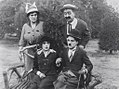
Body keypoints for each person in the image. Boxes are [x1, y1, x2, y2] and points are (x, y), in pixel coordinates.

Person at [18, 2, 44, 71]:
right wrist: (20, 50)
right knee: (29, 69)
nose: (34, 17)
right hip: (29, 52)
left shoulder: (42, 24)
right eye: (31, 15)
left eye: (35, 15)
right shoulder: (25, 26)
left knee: (40, 69)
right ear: (28, 16)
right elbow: (22, 40)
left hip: (41, 50)